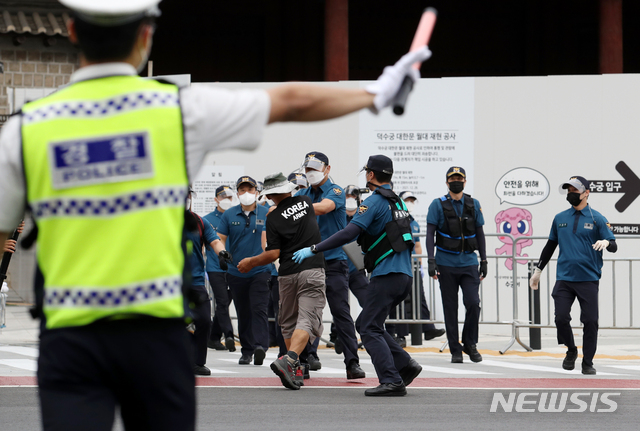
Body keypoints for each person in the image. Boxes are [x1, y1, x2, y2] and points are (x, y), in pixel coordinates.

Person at [0, 0, 431, 426]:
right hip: (154, 332)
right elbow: (291, 100)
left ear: (72, 30)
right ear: (147, 35)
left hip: (72, 333)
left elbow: (3, 230)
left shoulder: (26, 128)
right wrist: (376, 91)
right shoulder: (178, 110)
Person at [294, 155, 423, 397]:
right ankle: (405, 364)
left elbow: (349, 233)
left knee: (368, 327)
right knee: (367, 322)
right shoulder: (398, 202)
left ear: (371, 175)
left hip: (387, 274)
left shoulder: (373, 202)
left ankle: (391, 379)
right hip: (404, 275)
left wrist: (314, 248)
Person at [238, 172, 326, 390]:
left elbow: (273, 253)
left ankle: (294, 371)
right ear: (289, 189)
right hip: (311, 269)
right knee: (307, 318)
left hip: (286, 274)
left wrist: (250, 262)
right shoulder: (305, 202)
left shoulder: (272, 218)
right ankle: (290, 359)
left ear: (269, 196)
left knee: (287, 322)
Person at [530, 176, 616, 375]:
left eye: (575, 190)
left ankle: (588, 361)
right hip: (564, 279)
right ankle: (571, 350)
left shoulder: (597, 218)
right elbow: (550, 246)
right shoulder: (560, 218)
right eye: (569, 190)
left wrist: (606, 243)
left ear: (586, 193)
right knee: (560, 318)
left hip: (588, 279)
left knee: (590, 321)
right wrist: (538, 271)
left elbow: (614, 244)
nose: (571, 194)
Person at [297, 152, 365, 379]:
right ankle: (304, 361)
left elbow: (324, 208)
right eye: (307, 169)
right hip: (308, 261)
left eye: (315, 168)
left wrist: (291, 207)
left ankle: (352, 363)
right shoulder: (303, 193)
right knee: (307, 313)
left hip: (334, 261)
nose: (311, 173)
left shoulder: (334, 191)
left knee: (340, 312)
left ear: (327, 168)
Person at [426, 167, 487, 364]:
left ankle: (470, 343)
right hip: (446, 263)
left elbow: (480, 234)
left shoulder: (473, 203)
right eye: (452, 178)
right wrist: (431, 260)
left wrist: (484, 260)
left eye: (459, 178)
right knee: (450, 308)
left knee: (473, 304)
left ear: (465, 181)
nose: (456, 181)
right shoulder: (437, 205)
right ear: (447, 182)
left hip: (469, 262)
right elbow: (429, 235)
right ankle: (455, 349)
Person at [217, 176, 271, 365]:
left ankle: (259, 346)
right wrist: (222, 254)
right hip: (236, 270)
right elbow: (220, 238)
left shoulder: (267, 212)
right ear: (237, 193)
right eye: (242, 190)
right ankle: (246, 350)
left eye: (250, 190)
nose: (246, 193)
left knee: (259, 308)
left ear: (257, 192)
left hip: (260, 269)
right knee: (243, 311)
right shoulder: (229, 214)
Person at [185, 190, 232, 375]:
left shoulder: (198, 221)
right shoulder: (162, 221)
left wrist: (222, 252)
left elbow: (214, 241)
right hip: (171, 283)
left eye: (188, 195)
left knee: (204, 320)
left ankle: (197, 362)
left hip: (196, 281)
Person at [397, 191, 445, 342]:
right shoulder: (396, 219)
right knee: (401, 298)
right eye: (407, 200)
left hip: (413, 264)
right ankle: (402, 334)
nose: (410, 203)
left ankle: (428, 328)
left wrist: (420, 265)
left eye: (412, 200)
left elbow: (417, 245)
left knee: (419, 296)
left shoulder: (414, 222)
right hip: (400, 263)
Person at [203, 185, 236, 352]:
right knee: (222, 302)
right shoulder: (207, 220)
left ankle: (213, 337)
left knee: (225, 302)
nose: (227, 200)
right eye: (223, 197)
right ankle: (229, 335)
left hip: (233, 268)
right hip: (215, 268)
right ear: (216, 199)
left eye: (230, 197)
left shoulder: (235, 217)